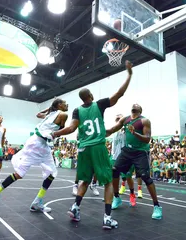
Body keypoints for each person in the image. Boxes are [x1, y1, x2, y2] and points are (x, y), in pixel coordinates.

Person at [52, 60, 133, 229]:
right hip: (97, 147)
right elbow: (119, 94)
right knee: (109, 181)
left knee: (85, 180)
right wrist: (129, 75)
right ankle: (107, 218)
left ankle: (75, 208)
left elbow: (71, 128)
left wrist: (57, 133)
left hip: (83, 148)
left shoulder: (77, 111)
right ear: (91, 96)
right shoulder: (99, 104)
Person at [0, 99, 68, 214]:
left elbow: (38, 114)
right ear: (59, 105)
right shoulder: (63, 114)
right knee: (19, 174)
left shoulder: (50, 114)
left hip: (43, 146)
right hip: (36, 144)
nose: (67, 105)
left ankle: (37, 202)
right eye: (64, 103)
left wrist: (50, 108)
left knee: (52, 173)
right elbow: (64, 129)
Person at [107, 104, 162, 220]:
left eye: (137, 105)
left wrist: (134, 133)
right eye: (133, 104)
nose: (134, 105)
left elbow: (147, 138)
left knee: (145, 177)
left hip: (140, 152)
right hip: (127, 150)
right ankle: (116, 197)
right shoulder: (125, 119)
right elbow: (112, 130)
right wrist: (102, 132)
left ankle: (157, 206)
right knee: (114, 171)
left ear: (140, 110)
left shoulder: (144, 121)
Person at [111, 114, 136, 207]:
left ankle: (132, 194)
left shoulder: (127, 130)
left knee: (128, 177)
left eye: (120, 118)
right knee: (114, 177)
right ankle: (116, 197)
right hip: (115, 157)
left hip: (126, 156)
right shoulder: (114, 131)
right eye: (117, 118)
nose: (118, 119)